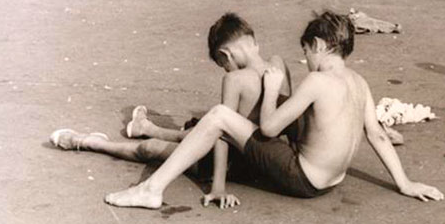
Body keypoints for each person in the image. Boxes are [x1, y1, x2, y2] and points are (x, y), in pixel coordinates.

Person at [103, 11, 444, 209]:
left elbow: (268, 129)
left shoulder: (316, 81)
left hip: (303, 177)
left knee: (219, 117)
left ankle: (152, 190)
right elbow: (378, 135)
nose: (306, 59)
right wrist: (405, 183)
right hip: (331, 180)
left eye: (307, 51)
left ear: (321, 46)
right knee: (222, 122)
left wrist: (268, 91)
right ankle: (158, 145)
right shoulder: (359, 81)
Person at [50, 13, 293, 209]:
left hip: (240, 161)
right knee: (199, 129)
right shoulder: (278, 64)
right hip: (268, 155)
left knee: (151, 148)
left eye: (223, 66)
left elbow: (221, 138)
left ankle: (89, 142)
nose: (226, 71)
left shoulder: (236, 80)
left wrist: (218, 186)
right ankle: (146, 127)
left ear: (225, 54)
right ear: (253, 42)